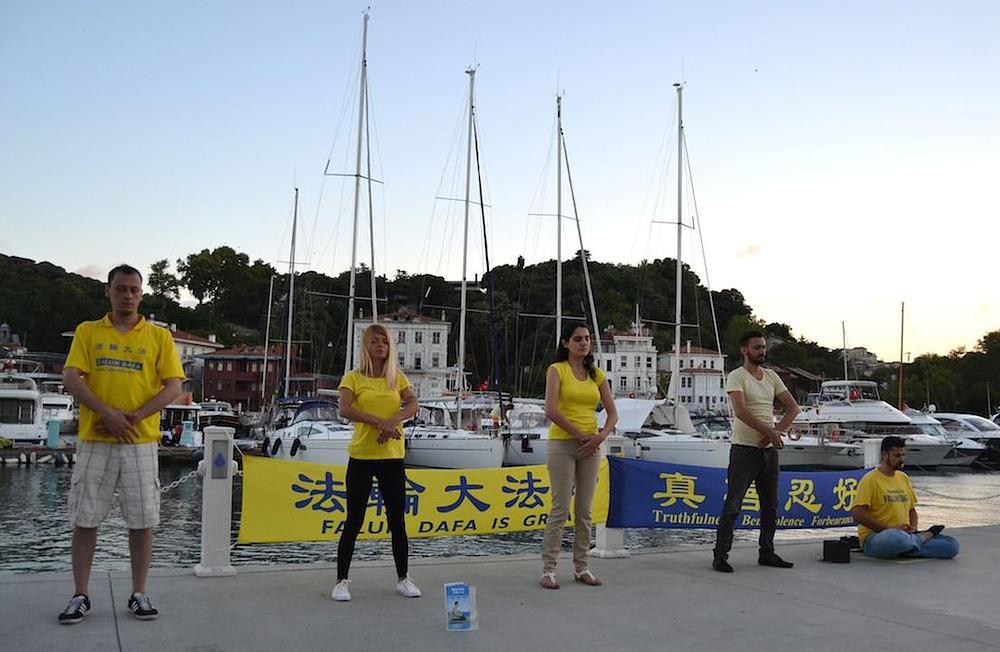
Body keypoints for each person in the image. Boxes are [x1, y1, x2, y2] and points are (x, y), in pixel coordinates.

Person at [58, 265, 184, 624]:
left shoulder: (159, 337)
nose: (127, 296)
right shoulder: (88, 332)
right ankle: (81, 594)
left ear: (141, 294)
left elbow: (173, 386)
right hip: (95, 438)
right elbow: (71, 376)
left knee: (142, 520)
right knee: (85, 518)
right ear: (108, 291)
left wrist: (132, 416)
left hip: (140, 441)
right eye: (121, 289)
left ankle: (139, 592)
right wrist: (105, 412)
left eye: (133, 290)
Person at [331, 324, 421, 602]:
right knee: (354, 520)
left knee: (397, 520)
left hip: (392, 458)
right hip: (362, 456)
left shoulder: (398, 378)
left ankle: (403, 578)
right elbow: (345, 409)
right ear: (365, 346)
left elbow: (413, 405)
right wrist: (379, 423)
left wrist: (393, 421)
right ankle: (342, 581)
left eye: (384, 341)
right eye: (374, 341)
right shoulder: (353, 378)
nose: (380, 345)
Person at [713, 330, 800, 573]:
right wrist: (769, 432)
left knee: (771, 505)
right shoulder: (736, 376)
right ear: (745, 350)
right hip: (744, 450)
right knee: (733, 505)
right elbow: (740, 411)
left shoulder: (771, 376)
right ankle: (720, 555)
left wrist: (776, 432)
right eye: (757, 347)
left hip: (769, 452)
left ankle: (767, 552)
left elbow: (793, 407)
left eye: (763, 347)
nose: (762, 351)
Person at [540, 322, 618, 589]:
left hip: (591, 447)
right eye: (578, 339)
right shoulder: (556, 370)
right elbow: (551, 410)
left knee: (584, 511)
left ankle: (582, 566)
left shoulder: (596, 374)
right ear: (565, 343)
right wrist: (580, 435)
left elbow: (612, 412)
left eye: (586, 339)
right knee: (560, 508)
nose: (584, 343)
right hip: (563, 444)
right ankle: (549, 569)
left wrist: (600, 435)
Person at [851, 436, 959, 559]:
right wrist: (887, 529)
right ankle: (917, 540)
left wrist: (913, 528)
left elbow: (912, 511)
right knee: (894, 538)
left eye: (903, 455)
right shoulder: (870, 479)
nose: (902, 459)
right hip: (878, 537)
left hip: (906, 535)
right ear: (885, 455)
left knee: (951, 546)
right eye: (897, 456)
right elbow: (857, 514)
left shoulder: (903, 478)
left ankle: (908, 546)